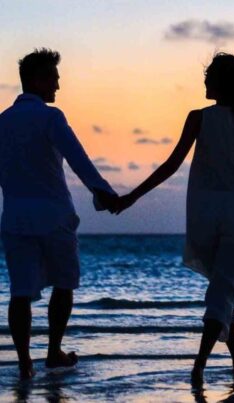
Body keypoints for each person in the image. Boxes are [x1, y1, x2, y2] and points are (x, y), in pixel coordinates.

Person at [114, 52, 234, 384]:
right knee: (222, 292)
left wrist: (132, 197)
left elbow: (171, 165)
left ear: (222, 82)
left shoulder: (198, 118)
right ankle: (199, 367)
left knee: (224, 289)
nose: (204, 80)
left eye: (208, 76)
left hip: (203, 217)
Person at [0, 48, 118, 379]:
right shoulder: (52, 118)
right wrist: (104, 193)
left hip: (16, 217)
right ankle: (53, 351)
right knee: (64, 283)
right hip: (54, 215)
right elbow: (77, 159)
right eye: (54, 78)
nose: (58, 86)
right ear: (37, 80)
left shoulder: (2, 122)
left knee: (20, 292)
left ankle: (25, 363)